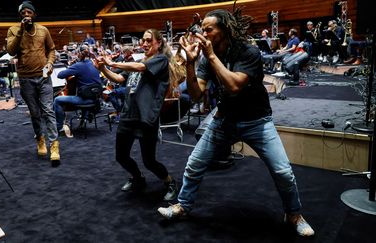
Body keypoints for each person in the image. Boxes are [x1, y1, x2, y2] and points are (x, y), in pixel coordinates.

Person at [157, 9, 315, 237]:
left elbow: (234, 85)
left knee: (282, 172)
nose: (203, 33)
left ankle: (293, 215)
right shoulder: (205, 57)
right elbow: (196, 94)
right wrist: (191, 63)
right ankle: (183, 206)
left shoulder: (247, 52)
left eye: (209, 29)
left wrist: (211, 57)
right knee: (194, 165)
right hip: (224, 120)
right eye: (203, 29)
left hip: (256, 121)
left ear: (225, 30)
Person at [93, 29, 178, 201]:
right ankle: (138, 178)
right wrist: (102, 67)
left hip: (146, 118)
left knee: (149, 161)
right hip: (128, 116)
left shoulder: (160, 60)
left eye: (148, 40)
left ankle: (170, 182)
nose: (144, 44)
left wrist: (112, 62)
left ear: (158, 43)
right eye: (142, 41)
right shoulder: (138, 61)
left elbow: (140, 68)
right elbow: (118, 79)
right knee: (121, 156)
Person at [6, 1, 60, 164]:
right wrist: (21, 31)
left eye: (29, 12)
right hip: (25, 78)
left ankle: (54, 146)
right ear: (20, 16)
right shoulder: (13, 30)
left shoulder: (43, 30)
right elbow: (11, 51)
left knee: (48, 110)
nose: (26, 15)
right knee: (35, 113)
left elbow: (51, 49)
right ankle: (40, 139)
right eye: (23, 13)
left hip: (43, 77)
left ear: (34, 14)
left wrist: (50, 63)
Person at [53, 44, 102, 135]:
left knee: (57, 100)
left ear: (79, 54)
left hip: (84, 100)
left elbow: (60, 75)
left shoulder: (78, 66)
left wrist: (71, 66)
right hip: (96, 99)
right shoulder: (94, 64)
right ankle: (84, 119)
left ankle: (59, 129)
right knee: (86, 91)